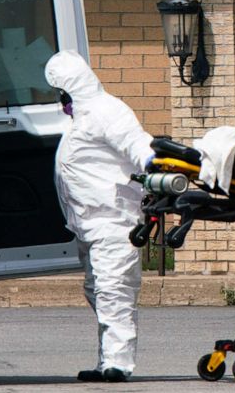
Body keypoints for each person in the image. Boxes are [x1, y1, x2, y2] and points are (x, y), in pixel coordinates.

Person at [44, 50, 155, 383]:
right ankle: (107, 357)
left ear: (70, 87)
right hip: (89, 224)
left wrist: (154, 167)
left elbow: (137, 144)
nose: (59, 100)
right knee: (98, 290)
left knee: (113, 289)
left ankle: (117, 364)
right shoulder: (83, 116)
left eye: (60, 92)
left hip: (113, 220)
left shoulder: (107, 111)